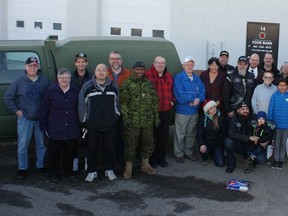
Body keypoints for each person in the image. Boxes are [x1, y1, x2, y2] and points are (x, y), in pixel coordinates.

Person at [3, 57, 49, 178]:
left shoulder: (43, 81)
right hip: (25, 119)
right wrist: (17, 111)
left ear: (38, 67)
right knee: (23, 144)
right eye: (30, 66)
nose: (32, 68)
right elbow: (8, 97)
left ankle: (40, 166)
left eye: (35, 66)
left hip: (39, 119)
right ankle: (22, 168)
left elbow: (48, 98)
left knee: (41, 144)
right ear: (25, 67)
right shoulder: (19, 81)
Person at [78, 63, 119, 182]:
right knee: (92, 149)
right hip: (92, 124)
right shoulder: (87, 86)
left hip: (109, 124)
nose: (101, 72)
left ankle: (109, 169)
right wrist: (84, 121)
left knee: (110, 148)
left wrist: (115, 117)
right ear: (95, 72)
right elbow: (82, 105)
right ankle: (92, 171)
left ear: (107, 72)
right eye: (98, 70)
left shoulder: (113, 86)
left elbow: (117, 104)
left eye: (103, 70)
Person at [120, 61, 160, 179]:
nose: (139, 72)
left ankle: (145, 164)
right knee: (131, 144)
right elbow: (123, 103)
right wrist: (126, 118)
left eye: (141, 69)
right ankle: (128, 167)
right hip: (133, 121)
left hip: (147, 120)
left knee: (148, 143)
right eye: (137, 69)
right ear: (133, 70)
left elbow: (154, 102)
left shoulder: (148, 83)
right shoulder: (127, 83)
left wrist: (156, 117)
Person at [40, 68, 80, 180]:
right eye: (61, 77)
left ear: (70, 79)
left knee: (69, 152)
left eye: (67, 77)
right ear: (57, 78)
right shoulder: (50, 91)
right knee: (54, 153)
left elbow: (80, 108)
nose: (64, 80)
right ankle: (54, 173)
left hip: (72, 127)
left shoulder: (75, 90)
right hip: (55, 127)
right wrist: (43, 126)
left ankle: (68, 172)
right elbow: (44, 109)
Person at [173, 56, 205, 163]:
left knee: (191, 133)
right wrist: (193, 99)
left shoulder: (197, 78)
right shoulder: (179, 78)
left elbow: (202, 91)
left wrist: (198, 99)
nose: (189, 66)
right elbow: (179, 95)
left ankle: (189, 152)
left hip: (194, 112)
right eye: (187, 65)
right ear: (183, 66)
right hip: (182, 112)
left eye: (191, 65)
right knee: (180, 133)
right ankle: (179, 153)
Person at [145, 56, 175, 168]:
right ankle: (153, 160)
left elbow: (172, 91)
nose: (161, 65)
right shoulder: (147, 75)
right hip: (153, 113)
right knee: (152, 137)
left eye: (163, 63)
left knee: (163, 136)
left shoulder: (168, 76)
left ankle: (161, 159)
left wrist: (172, 101)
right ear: (154, 63)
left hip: (165, 111)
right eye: (158, 63)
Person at [224, 101, 263, 173]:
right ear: (238, 110)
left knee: (261, 160)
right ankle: (231, 165)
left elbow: (265, 128)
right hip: (238, 144)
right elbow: (232, 134)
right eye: (242, 109)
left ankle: (250, 161)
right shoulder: (233, 119)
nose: (245, 111)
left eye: (246, 109)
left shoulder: (255, 117)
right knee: (228, 142)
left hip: (252, 145)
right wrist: (248, 137)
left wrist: (265, 140)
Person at [107, 50, 131, 163]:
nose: (115, 61)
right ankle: (111, 161)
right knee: (110, 137)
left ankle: (122, 161)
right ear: (109, 60)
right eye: (113, 58)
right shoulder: (104, 72)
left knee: (123, 137)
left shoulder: (128, 73)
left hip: (124, 110)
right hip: (109, 111)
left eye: (117, 58)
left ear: (121, 60)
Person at [71, 52, 91, 172]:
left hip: (88, 112)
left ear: (86, 63)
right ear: (75, 63)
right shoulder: (70, 77)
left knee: (89, 138)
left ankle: (88, 161)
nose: (81, 64)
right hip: (73, 112)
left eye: (83, 61)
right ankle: (75, 159)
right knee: (74, 138)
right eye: (78, 61)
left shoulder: (91, 77)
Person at [196, 100, 226, 166]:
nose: (214, 109)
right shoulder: (202, 119)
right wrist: (201, 144)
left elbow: (224, 134)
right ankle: (205, 157)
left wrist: (224, 147)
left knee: (220, 163)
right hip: (206, 142)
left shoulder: (221, 118)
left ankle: (214, 153)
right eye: (211, 108)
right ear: (207, 110)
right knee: (204, 151)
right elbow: (199, 133)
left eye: (214, 107)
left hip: (217, 143)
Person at [268, 78, 288, 169]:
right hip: (276, 125)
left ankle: (281, 160)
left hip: (286, 125)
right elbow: (270, 109)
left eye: (284, 85)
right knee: (276, 143)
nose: (282, 87)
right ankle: (276, 160)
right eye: (280, 85)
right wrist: (269, 121)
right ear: (277, 86)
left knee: (283, 143)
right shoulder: (274, 96)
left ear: (287, 86)